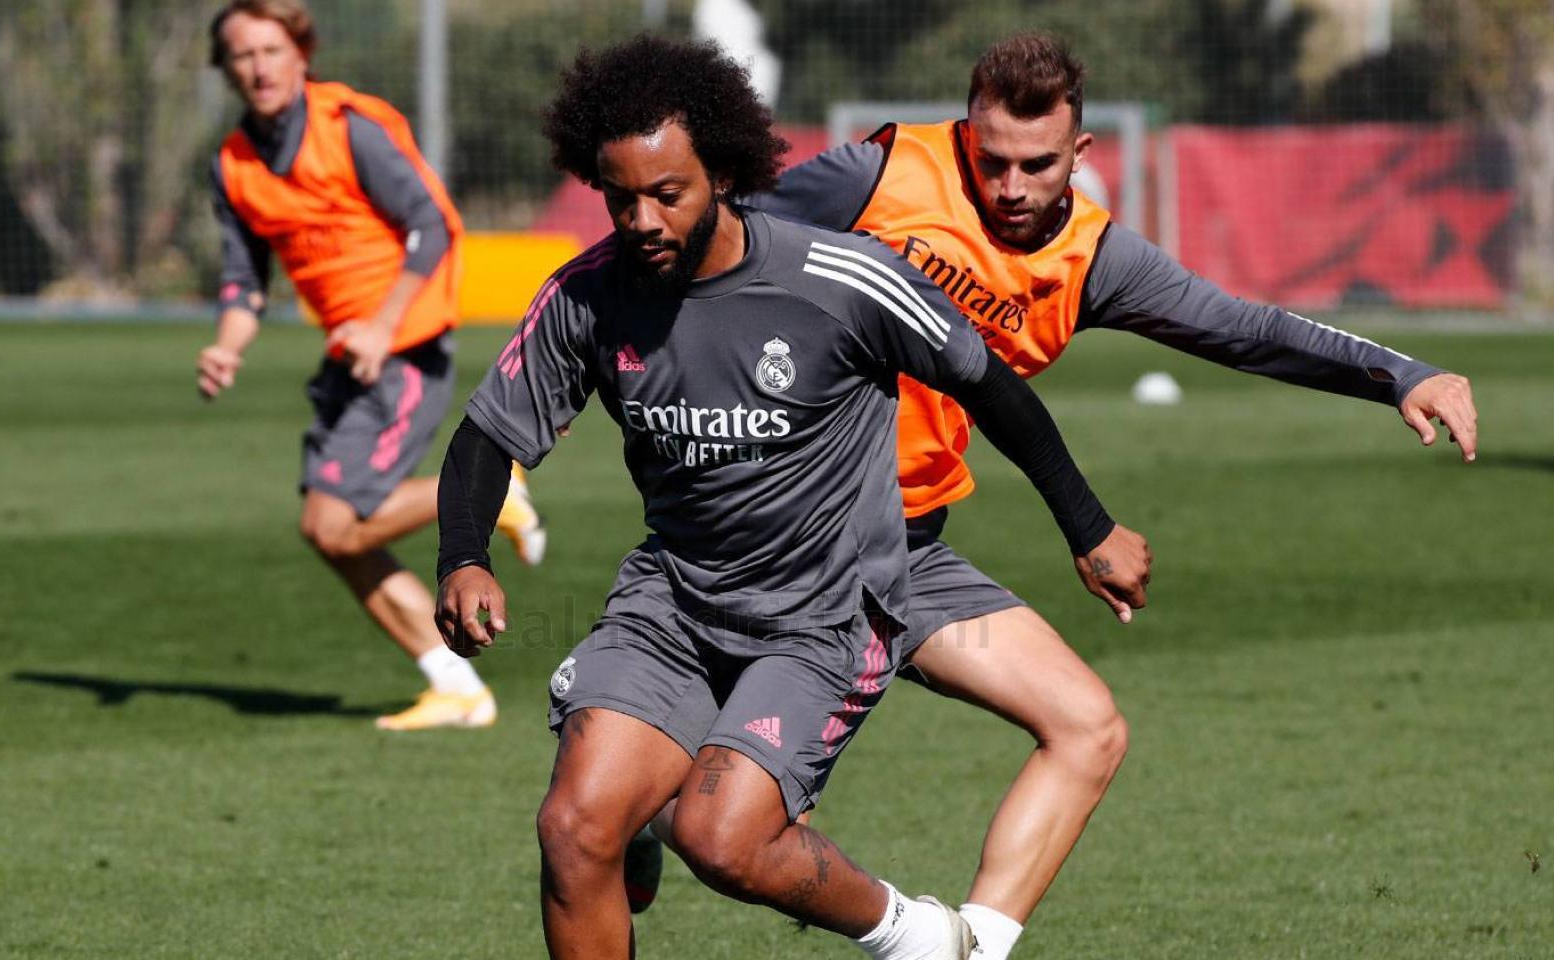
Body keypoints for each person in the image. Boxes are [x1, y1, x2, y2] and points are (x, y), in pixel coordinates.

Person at [716, 31, 1477, 959]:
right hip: (781, 538)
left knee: (1088, 728)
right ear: (965, 135)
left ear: (1082, 154)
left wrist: (1400, 373)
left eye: (1037, 164)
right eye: (990, 160)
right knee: (710, 823)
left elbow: (1245, 328)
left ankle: (971, 952)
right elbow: (711, 235)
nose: (1010, 185)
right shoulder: (878, 175)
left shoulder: (1093, 259)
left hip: (909, 550)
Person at [431, 36, 1151, 960]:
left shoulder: (840, 281)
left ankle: (916, 936)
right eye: (621, 197)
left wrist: (1088, 529)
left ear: (723, 174)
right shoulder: (588, 295)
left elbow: (993, 386)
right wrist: (463, 557)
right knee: (574, 829)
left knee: (720, 838)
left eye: (668, 194)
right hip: (674, 604)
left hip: (826, 615)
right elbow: (489, 433)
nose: (642, 219)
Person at [195, 0, 546, 732]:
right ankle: (453, 684)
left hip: (405, 348)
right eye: (242, 55)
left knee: (333, 522)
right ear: (225, 68)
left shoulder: (347, 127)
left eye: (270, 50)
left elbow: (434, 225)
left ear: (300, 52)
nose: (258, 67)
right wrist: (228, 346)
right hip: (348, 363)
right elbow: (243, 283)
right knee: (330, 532)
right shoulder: (235, 164)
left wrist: (383, 327)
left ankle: (497, 490)